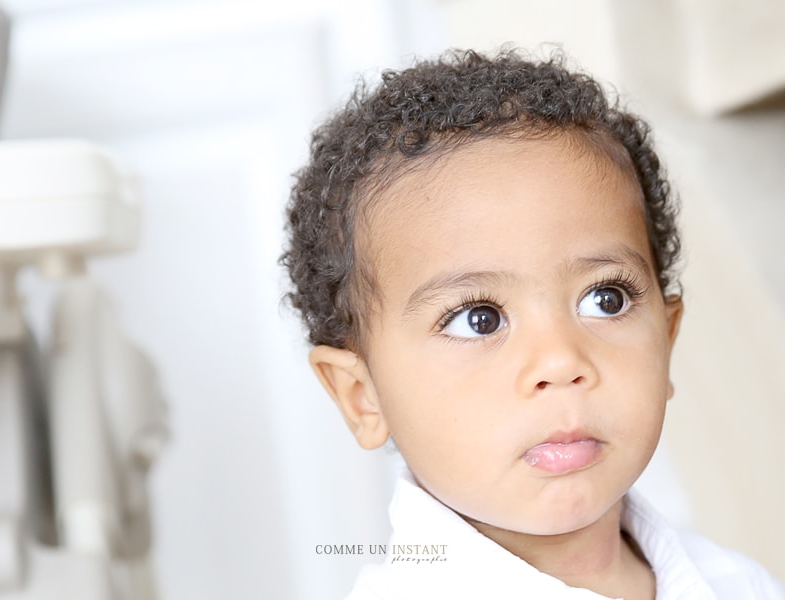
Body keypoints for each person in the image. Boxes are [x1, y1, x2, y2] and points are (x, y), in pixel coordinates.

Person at [281, 48, 785, 599]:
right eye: (479, 319)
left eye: (605, 299)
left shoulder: (738, 584)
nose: (561, 361)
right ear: (362, 396)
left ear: (666, 339)